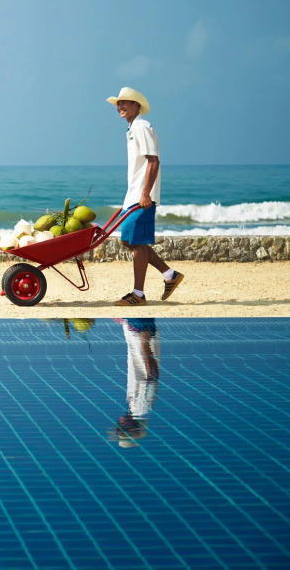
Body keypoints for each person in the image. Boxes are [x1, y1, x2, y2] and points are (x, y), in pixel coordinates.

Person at [107, 87, 185, 306]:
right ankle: (170, 275)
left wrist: (145, 194)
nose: (120, 106)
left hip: (142, 196)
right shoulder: (132, 129)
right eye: (118, 103)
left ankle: (138, 295)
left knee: (138, 243)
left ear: (136, 105)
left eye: (125, 102)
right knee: (127, 240)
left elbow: (154, 160)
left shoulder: (142, 127)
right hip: (133, 194)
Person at [108, 318, 160, 448]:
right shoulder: (141, 408)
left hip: (135, 333)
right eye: (122, 428)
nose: (119, 424)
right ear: (133, 426)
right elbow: (153, 377)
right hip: (139, 333)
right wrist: (145, 343)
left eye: (119, 427)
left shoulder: (133, 408)